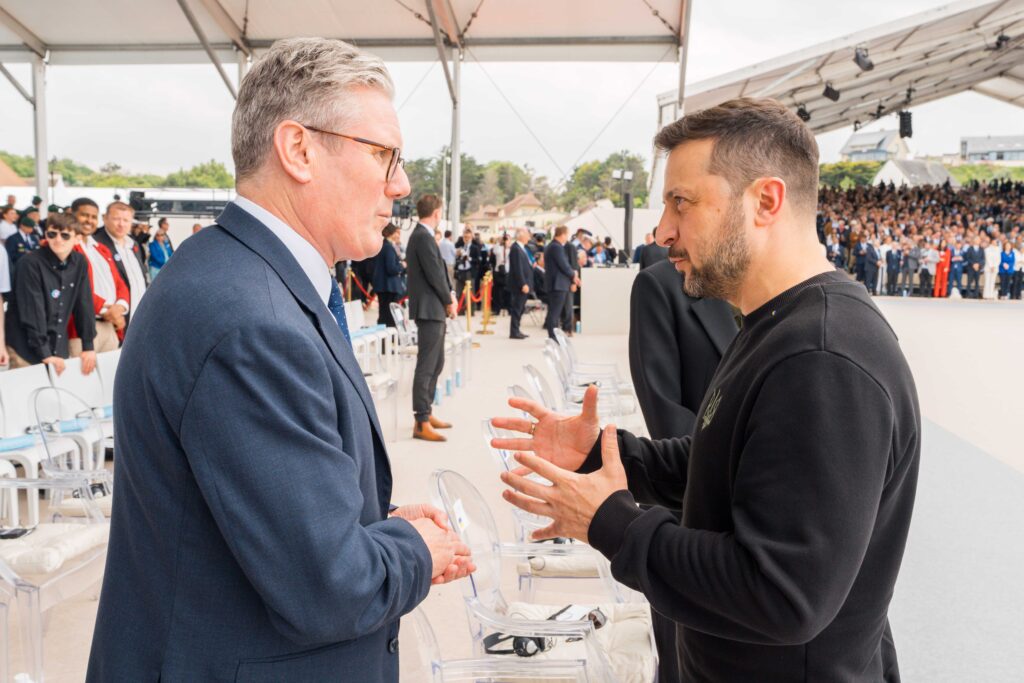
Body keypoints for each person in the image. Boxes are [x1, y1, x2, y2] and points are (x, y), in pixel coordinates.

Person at [492, 98, 920, 682]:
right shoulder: (775, 324)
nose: (663, 230)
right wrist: (609, 455)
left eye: (682, 203)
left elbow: (781, 594)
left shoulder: (822, 356)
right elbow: (730, 463)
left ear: (765, 201)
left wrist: (612, 522)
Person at [86, 38, 474, 682]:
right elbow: (330, 587)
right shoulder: (251, 320)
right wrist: (416, 548)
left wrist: (367, 526)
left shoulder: (243, 277)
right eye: (383, 155)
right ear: (298, 150)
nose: (400, 183)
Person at [5, 213, 96, 374]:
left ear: (77, 238)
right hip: (24, 346)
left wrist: (88, 346)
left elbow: (84, 303)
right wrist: (45, 353)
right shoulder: (29, 263)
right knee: (27, 395)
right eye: (52, 234)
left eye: (65, 235)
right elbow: (32, 311)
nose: (58, 240)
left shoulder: (79, 262)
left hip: (57, 346)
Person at [405, 194, 456, 443]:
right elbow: (436, 274)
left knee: (437, 363)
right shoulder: (422, 236)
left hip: (433, 309)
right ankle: (421, 420)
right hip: (429, 309)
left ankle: (427, 412)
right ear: (436, 213)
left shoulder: (423, 236)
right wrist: (449, 300)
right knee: (426, 366)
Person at [94, 201, 149, 325]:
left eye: (126, 220)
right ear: (105, 218)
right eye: (116, 219)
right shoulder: (96, 245)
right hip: (113, 319)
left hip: (137, 314)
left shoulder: (133, 245)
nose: (121, 224)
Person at [543, 226, 577, 340]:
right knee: (555, 312)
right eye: (567, 235)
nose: (567, 238)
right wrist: (574, 276)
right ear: (562, 234)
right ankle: (553, 336)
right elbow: (564, 265)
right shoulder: (556, 247)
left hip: (555, 284)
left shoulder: (552, 246)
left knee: (554, 311)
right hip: (558, 284)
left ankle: (553, 335)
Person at [372, 223, 405, 327]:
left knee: (384, 313)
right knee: (389, 315)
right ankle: (388, 336)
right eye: (396, 233)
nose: (398, 235)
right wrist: (402, 266)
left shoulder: (384, 245)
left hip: (384, 286)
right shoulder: (388, 248)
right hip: (389, 287)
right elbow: (391, 268)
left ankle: (384, 337)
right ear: (391, 233)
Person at [506, 228, 533, 340]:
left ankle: (517, 329)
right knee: (517, 308)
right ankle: (514, 331)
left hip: (524, 283)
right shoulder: (516, 249)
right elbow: (518, 268)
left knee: (520, 308)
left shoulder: (521, 248)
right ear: (521, 236)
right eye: (527, 235)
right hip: (520, 285)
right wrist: (523, 284)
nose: (529, 238)